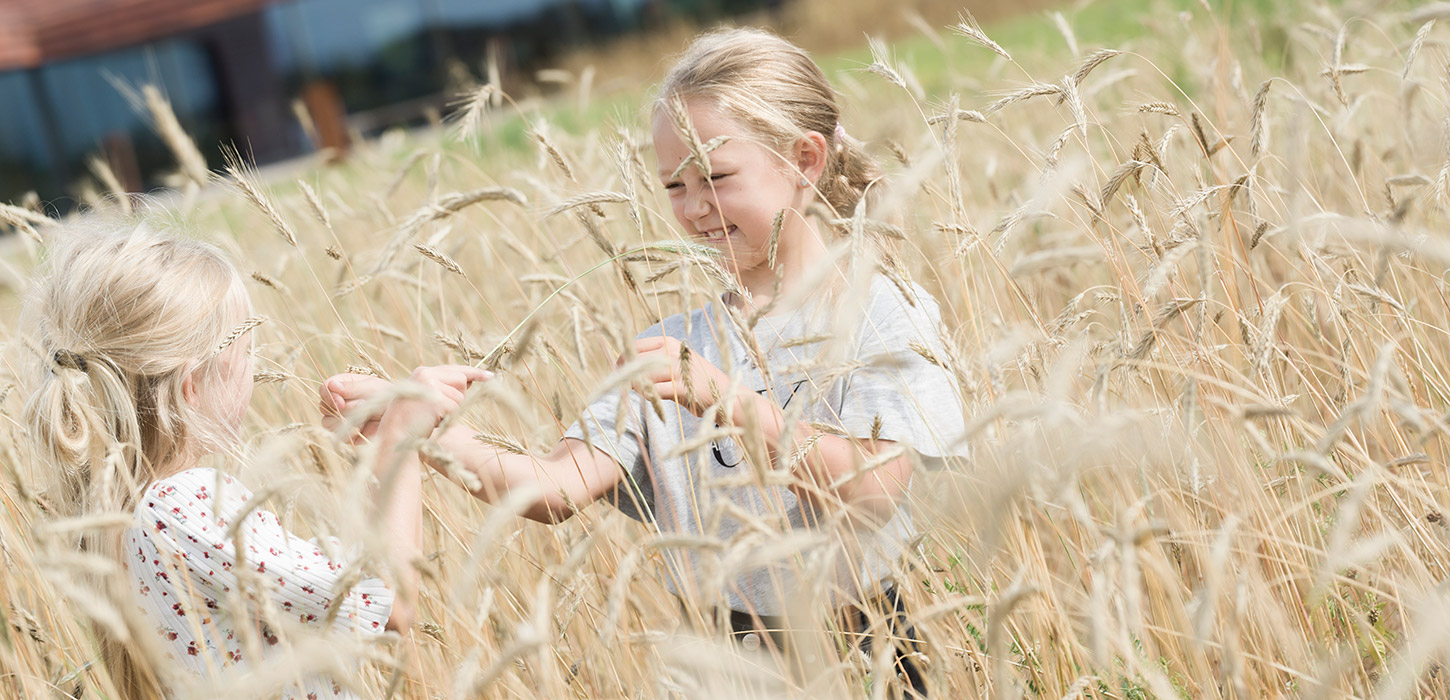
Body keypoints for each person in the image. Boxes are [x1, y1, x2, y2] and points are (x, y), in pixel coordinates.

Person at [324, 27, 963, 696]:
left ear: (804, 160)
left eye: (715, 178)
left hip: (868, 643)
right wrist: (419, 425)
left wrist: (726, 401)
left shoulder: (880, 311)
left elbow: (873, 491)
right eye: (673, 186)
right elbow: (554, 489)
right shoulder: (671, 345)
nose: (693, 208)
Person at [22, 224, 489, 699]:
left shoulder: (124, 514)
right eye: (245, 350)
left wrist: (380, 455)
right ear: (191, 386)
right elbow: (386, 602)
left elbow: (340, 586)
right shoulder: (184, 504)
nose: (255, 365)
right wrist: (402, 438)